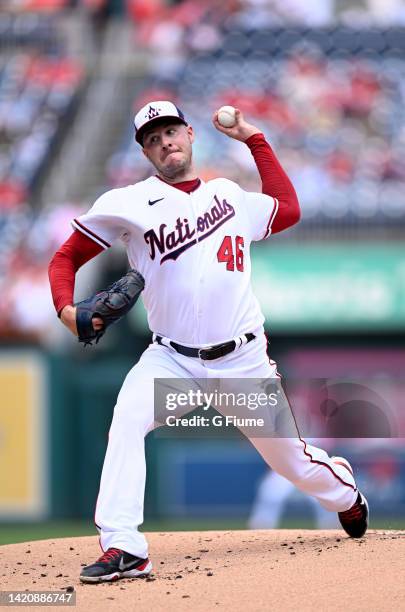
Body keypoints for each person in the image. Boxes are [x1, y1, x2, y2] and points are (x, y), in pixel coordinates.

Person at [48, 100, 369, 584]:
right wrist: (67, 311)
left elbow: (288, 210)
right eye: (152, 139)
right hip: (171, 361)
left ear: (191, 134)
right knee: (127, 422)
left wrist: (254, 139)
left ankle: (346, 496)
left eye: (170, 131)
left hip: (241, 362)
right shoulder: (127, 203)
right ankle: (124, 547)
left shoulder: (229, 196)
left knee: (294, 466)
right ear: (146, 152)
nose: (164, 143)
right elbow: (65, 258)